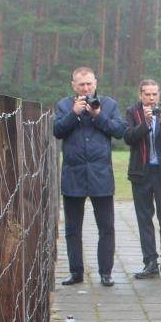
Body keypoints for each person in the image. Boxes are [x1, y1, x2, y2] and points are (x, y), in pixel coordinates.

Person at [53, 67, 127, 287]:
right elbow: (57, 131)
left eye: (89, 84)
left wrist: (98, 115)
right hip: (74, 174)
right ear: (73, 85)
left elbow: (119, 131)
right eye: (81, 84)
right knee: (73, 229)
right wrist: (73, 113)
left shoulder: (109, 104)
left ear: (95, 83)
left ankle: (106, 272)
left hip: (100, 175)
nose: (85, 88)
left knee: (106, 227)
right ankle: (76, 272)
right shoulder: (64, 105)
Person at [124, 79, 161, 279]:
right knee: (144, 219)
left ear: (159, 95)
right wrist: (145, 124)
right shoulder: (132, 113)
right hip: (141, 173)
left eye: (154, 94)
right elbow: (128, 138)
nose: (151, 98)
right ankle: (150, 261)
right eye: (147, 94)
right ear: (140, 95)